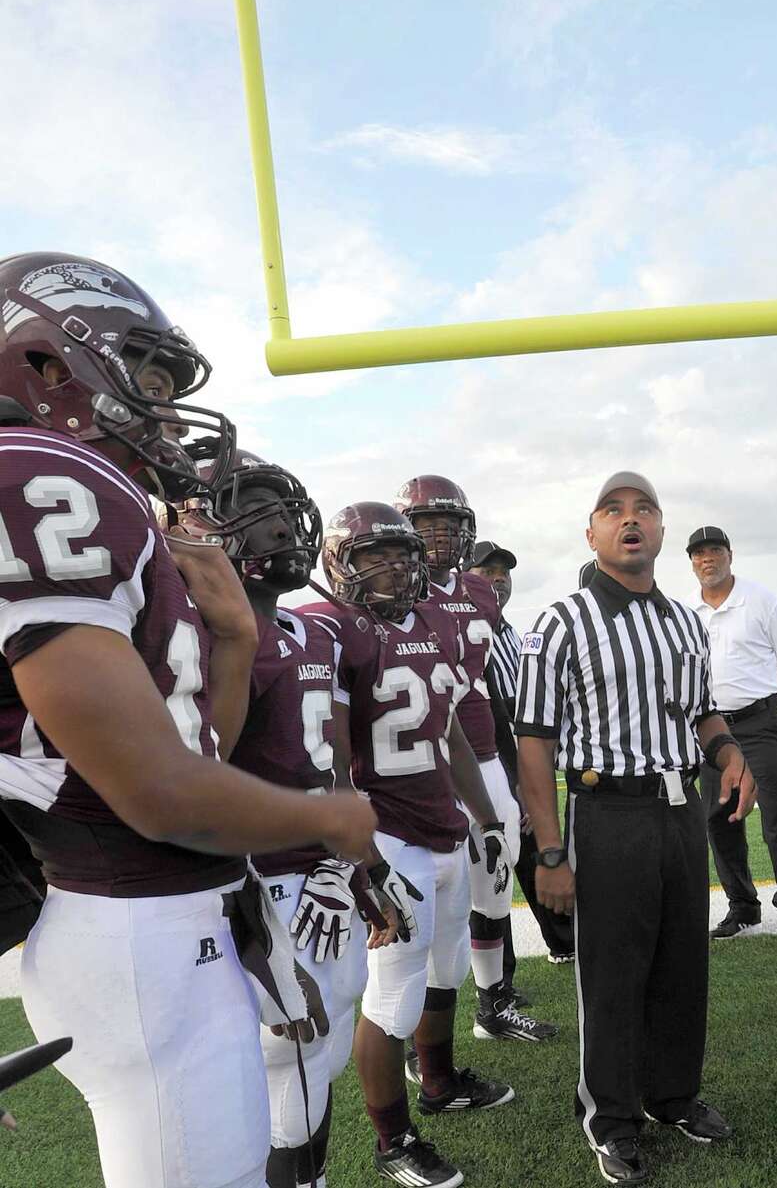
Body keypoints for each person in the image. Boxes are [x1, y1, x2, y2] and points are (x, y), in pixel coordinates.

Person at [0, 253, 375, 1188]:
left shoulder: (121, 506)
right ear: (46, 366)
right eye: (151, 380)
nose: (167, 416)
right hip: (127, 919)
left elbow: (194, 746)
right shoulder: (45, 471)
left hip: (166, 914)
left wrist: (236, 640)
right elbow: (161, 793)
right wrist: (329, 819)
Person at [516, 471, 756, 1186]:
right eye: (614, 510)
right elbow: (534, 743)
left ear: (659, 529)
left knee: (683, 961)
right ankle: (610, 1117)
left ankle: (671, 1094)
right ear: (590, 532)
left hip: (681, 808)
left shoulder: (685, 620)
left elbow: (702, 713)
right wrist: (551, 850)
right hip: (607, 809)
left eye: (644, 509)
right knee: (613, 972)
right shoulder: (560, 621)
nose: (631, 520)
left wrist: (730, 750)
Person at [301, 502, 514, 1188]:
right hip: (389, 833)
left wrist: (485, 816)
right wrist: (364, 862)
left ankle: (441, 1081)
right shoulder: (330, 629)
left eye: (401, 551)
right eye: (372, 554)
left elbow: (447, 728)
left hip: (443, 824)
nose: (393, 565)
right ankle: (393, 1139)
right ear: (340, 560)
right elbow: (331, 760)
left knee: (446, 969)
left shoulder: (430, 623)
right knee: (391, 997)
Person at [179, 450, 368, 1188]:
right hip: (266, 893)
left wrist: (354, 865)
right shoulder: (207, 641)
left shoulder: (308, 630)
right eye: (253, 507)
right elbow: (200, 794)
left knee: (321, 1065)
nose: (281, 524)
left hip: (323, 878)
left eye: (283, 508)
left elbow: (327, 768)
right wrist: (263, 938)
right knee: (288, 1071)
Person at [396, 478, 554, 1044]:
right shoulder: (393, 592)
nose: (440, 536)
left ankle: (493, 1002)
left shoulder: (480, 592)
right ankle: (420, 1032)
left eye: (450, 524)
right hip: (425, 763)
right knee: (431, 902)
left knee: (493, 881)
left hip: (484, 753)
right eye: (425, 524)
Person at [689, 525, 777, 943]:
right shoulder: (688, 612)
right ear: (691, 562)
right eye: (699, 554)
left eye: (715, 551)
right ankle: (743, 906)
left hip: (759, 723)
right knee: (718, 819)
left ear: (730, 555)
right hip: (712, 729)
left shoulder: (763, 602)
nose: (707, 559)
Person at [467, 540, 575, 972]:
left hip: (518, 766)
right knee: (490, 881)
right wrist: (513, 785)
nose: (497, 579)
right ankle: (498, 983)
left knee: (535, 859)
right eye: (485, 571)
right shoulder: (463, 632)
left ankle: (564, 943)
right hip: (487, 774)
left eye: (503, 572)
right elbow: (485, 720)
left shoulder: (511, 632)